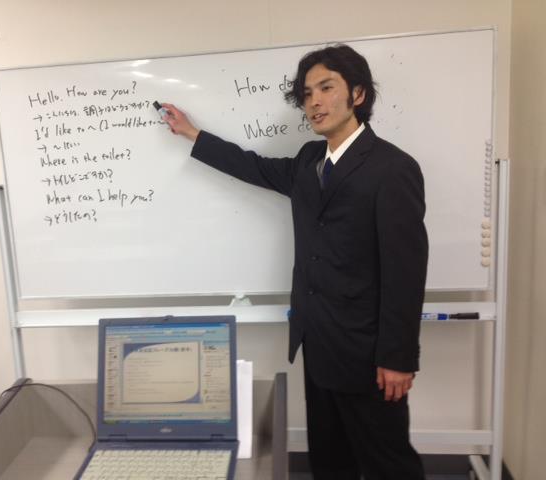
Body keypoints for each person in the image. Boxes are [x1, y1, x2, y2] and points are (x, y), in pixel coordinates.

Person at [161, 44, 428, 480]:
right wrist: (193, 133)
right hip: (318, 342)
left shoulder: (392, 169)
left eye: (326, 88)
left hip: (369, 355)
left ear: (358, 94)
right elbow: (252, 166)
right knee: (329, 462)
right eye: (307, 94)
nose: (314, 102)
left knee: (389, 465)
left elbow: (406, 272)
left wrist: (398, 357)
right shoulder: (309, 161)